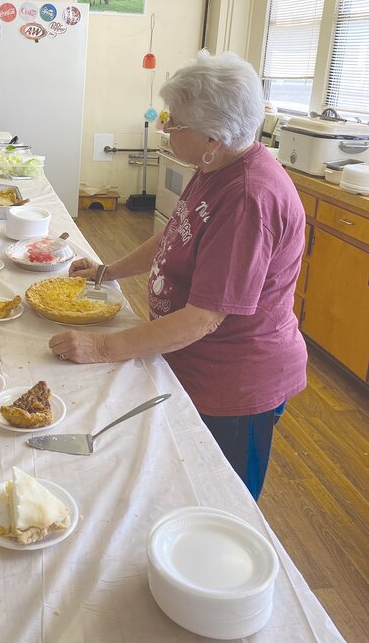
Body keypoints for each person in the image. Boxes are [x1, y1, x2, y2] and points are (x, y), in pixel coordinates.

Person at [49, 50, 308, 500]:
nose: (165, 128)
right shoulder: (215, 164)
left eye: (175, 121)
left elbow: (202, 318)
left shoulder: (248, 198)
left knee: (219, 498)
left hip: (234, 380)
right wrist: (107, 271)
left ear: (213, 134)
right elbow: (175, 233)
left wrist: (101, 346)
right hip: (193, 361)